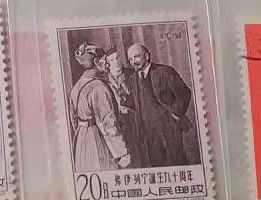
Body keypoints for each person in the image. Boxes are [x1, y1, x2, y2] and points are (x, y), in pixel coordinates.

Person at [125, 42, 200, 167]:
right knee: (157, 165)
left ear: (147, 56)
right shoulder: (132, 79)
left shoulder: (164, 72)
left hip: (169, 128)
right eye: (130, 59)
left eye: (136, 57)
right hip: (149, 133)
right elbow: (135, 103)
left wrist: (176, 115)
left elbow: (185, 93)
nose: (133, 62)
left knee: (177, 162)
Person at [68, 43, 130, 173]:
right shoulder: (98, 87)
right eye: (104, 60)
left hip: (81, 141)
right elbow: (108, 122)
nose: (107, 64)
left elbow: (74, 120)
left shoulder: (75, 88)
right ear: (96, 62)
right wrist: (122, 152)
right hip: (98, 140)